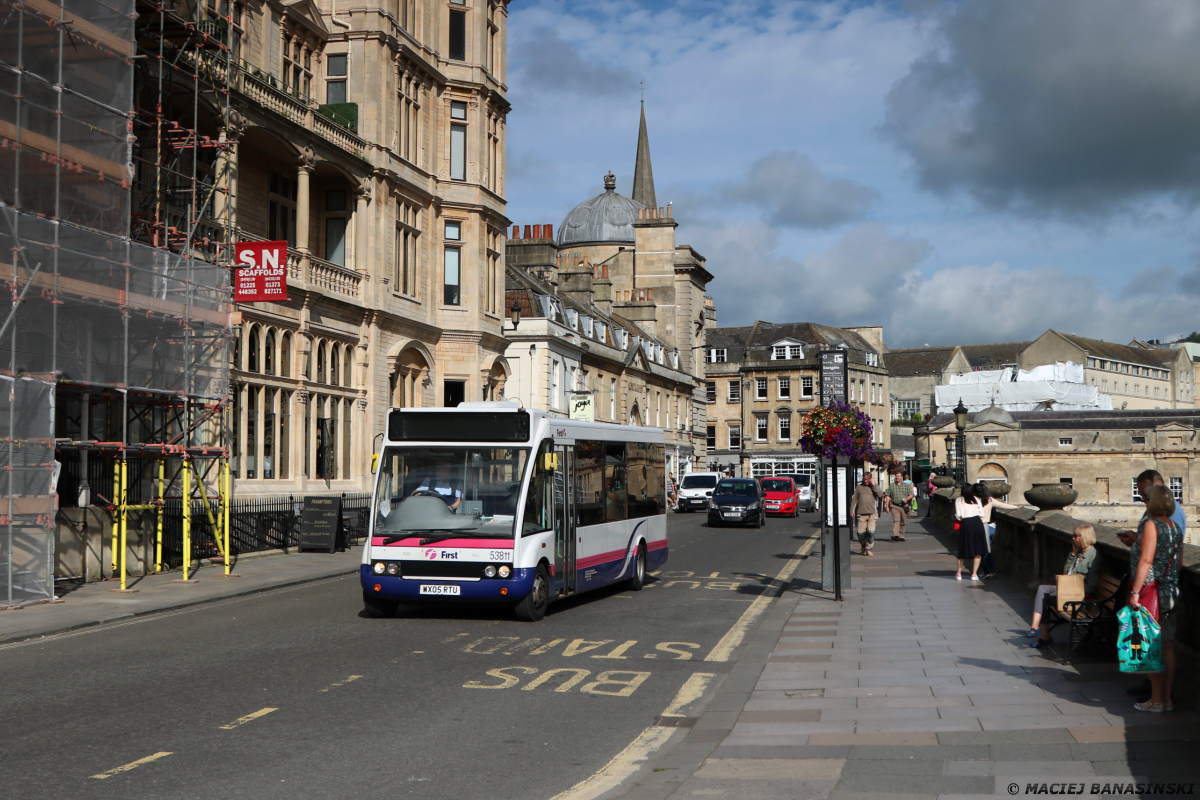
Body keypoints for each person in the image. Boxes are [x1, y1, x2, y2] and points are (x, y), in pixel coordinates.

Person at [1122, 484, 1183, 712]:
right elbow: (1177, 563)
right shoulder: (1175, 527)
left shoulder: (1151, 524)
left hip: (1153, 592)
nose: (1144, 501)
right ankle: (1166, 699)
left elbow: (1146, 562)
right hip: (1172, 591)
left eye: (1146, 498)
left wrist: (1136, 592)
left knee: (1152, 646)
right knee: (1167, 646)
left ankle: (1155, 700)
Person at [1028, 524, 1099, 647]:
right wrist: (1073, 553)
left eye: (1077, 536)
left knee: (1043, 593)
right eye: (1074, 536)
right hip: (1067, 590)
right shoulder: (1078, 553)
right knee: (1042, 591)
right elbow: (1066, 573)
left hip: (1078, 596)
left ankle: (1041, 632)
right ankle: (1037, 629)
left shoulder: (1093, 556)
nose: (1073, 538)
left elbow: (1092, 583)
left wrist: (1079, 597)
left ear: (1085, 537)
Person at [976, 483, 1022, 578]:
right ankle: (987, 570)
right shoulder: (989, 499)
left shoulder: (975, 501)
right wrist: (1016, 507)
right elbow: (1003, 505)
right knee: (985, 551)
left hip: (980, 527)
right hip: (990, 526)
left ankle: (989, 570)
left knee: (982, 551)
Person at [953, 483, 989, 581]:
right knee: (978, 549)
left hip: (966, 522)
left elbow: (958, 515)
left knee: (964, 548)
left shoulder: (959, 500)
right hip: (977, 522)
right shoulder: (976, 499)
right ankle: (974, 574)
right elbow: (981, 513)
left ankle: (959, 574)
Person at [849, 472, 884, 556]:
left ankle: (869, 549)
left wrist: (874, 484)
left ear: (870, 479)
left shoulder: (874, 487)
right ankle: (863, 546)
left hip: (872, 513)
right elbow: (854, 500)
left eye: (868, 479)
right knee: (860, 534)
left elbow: (880, 494)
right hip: (861, 514)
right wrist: (852, 510)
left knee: (871, 532)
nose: (866, 481)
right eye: (865, 479)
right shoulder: (859, 488)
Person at [883, 472, 915, 542]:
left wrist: (907, 499)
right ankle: (896, 535)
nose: (897, 477)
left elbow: (912, 495)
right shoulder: (892, 486)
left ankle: (901, 535)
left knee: (902, 521)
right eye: (896, 476)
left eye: (898, 476)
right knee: (896, 520)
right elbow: (887, 496)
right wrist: (887, 506)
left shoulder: (906, 486)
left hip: (904, 506)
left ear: (901, 477)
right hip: (895, 506)